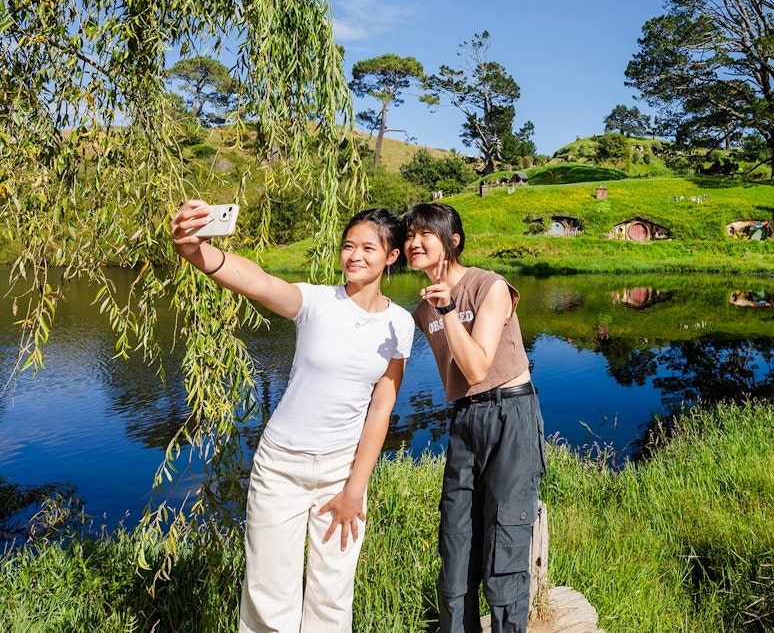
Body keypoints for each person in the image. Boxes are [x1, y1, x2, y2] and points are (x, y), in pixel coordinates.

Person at [170, 200, 414, 632]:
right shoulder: (316, 302)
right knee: (270, 593)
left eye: (368, 248)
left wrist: (355, 488)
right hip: (281, 466)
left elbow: (382, 407)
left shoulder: (400, 323)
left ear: (392, 256)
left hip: (342, 468)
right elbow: (258, 282)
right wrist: (195, 251)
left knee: (332, 595)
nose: (354, 256)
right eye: (348, 246)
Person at [403, 202, 545, 633]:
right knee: (456, 543)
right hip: (465, 419)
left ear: (453, 241)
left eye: (425, 234)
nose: (414, 243)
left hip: (509, 413)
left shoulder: (489, 286)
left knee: (505, 542)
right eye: (408, 236)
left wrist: (448, 311)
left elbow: (477, 367)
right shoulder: (422, 310)